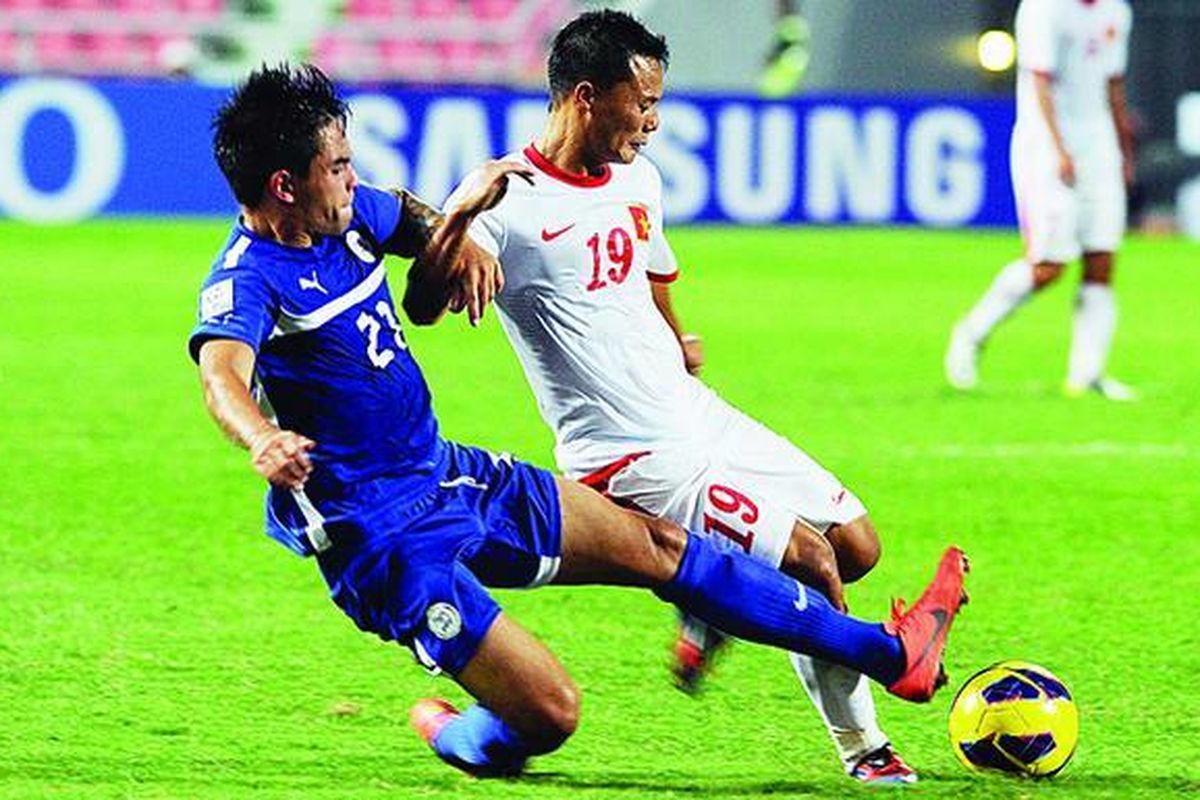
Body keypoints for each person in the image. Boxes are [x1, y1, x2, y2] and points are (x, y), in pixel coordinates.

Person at [190, 63, 969, 781]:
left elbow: (415, 225)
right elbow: (222, 373)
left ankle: (891, 653)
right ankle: (459, 736)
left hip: (445, 473)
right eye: (337, 168)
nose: (353, 179)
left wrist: (453, 236)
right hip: (378, 535)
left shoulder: (351, 213)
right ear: (285, 185)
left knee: (661, 546)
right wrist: (262, 437)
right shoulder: (248, 280)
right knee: (550, 713)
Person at [441, 10, 921, 784]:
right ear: (589, 97)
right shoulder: (511, 202)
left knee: (860, 545)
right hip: (628, 455)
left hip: (690, 410)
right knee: (814, 564)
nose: (654, 123)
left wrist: (679, 340)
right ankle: (867, 751)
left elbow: (652, 275)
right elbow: (427, 301)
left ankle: (706, 599)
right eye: (644, 104)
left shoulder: (638, 178)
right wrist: (459, 215)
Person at [945, 0, 1136, 400]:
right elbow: (1039, 81)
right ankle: (971, 333)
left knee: (1102, 260)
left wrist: (1123, 148)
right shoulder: (1043, 8)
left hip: (1098, 142)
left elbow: (1113, 83)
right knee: (1049, 265)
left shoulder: (1116, 10)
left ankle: (1087, 375)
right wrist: (1059, 149)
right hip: (1045, 145)